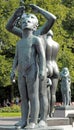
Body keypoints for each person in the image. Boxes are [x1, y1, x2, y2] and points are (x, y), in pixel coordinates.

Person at [6, 4, 56, 127]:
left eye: (31, 18)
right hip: (24, 68)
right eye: (24, 19)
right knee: (26, 96)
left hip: (39, 67)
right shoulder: (23, 37)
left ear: (36, 25)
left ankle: (42, 119)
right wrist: (15, 16)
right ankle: (25, 120)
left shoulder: (40, 33)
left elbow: (52, 18)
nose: (27, 19)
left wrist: (38, 10)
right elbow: (9, 27)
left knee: (41, 94)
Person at [45, 30, 60, 117]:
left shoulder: (43, 42)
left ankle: (45, 113)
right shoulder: (56, 44)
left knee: (45, 93)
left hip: (46, 66)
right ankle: (51, 113)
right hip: (55, 67)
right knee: (53, 93)